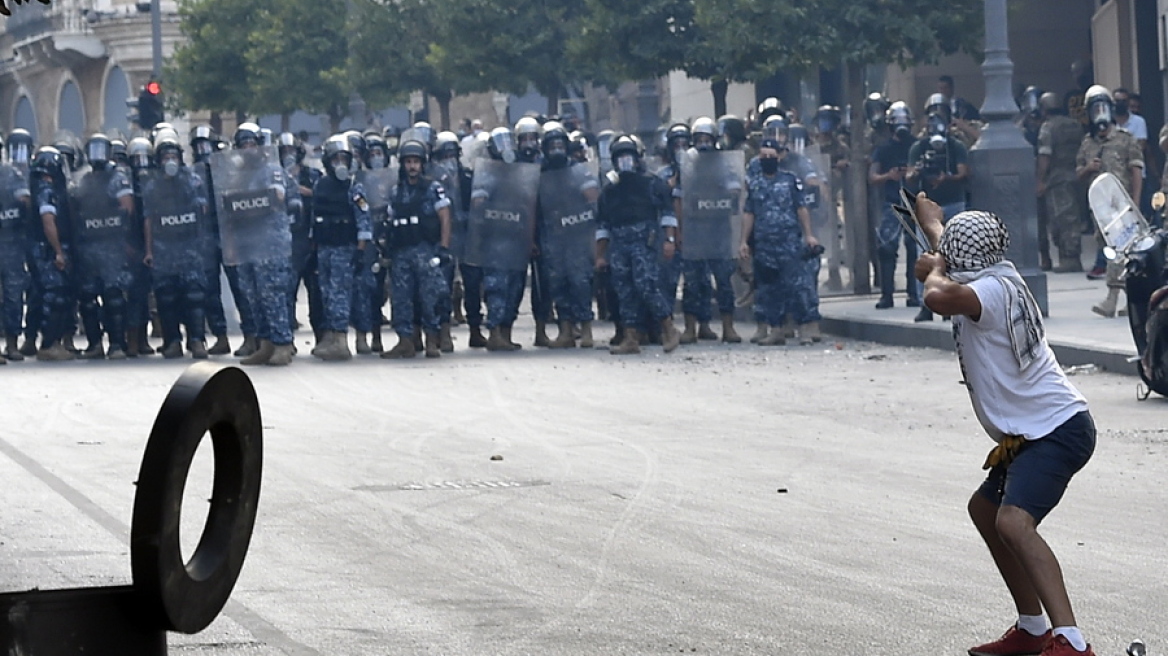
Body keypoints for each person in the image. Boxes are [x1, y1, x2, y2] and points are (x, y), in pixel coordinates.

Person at [911, 198, 1096, 656]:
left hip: (1058, 428)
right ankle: (1032, 628)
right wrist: (931, 222)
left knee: (1013, 523)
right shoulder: (992, 271)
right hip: (1032, 431)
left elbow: (936, 295)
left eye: (951, 254)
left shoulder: (987, 292)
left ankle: (1072, 642)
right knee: (984, 510)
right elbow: (951, 251)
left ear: (960, 261)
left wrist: (933, 268)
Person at [593, 135, 681, 354]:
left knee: (647, 285)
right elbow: (602, 225)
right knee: (624, 290)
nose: (625, 162)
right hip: (619, 245)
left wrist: (669, 240)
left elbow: (668, 213)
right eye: (620, 157)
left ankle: (668, 328)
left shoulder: (652, 184)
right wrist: (600, 255)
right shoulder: (609, 192)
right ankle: (630, 336)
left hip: (644, 242)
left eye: (628, 157)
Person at [739, 138, 819, 345]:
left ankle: (805, 330)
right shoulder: (755, 184)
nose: (767, 160)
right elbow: (749, 213)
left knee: (796, 285)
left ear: (779, 157)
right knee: (768, 288)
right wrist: (744, 241)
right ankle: (775, 330)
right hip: (764, 243)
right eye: (763, 156)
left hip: (789, 242)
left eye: (771, 157)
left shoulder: (790, 180)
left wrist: (809, 234)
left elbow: (801, 208)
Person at [141, 132, 212, 359]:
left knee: (194, 296)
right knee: (166, 297)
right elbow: (148, 219)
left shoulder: (193, 180)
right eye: (165, 157)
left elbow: (204, 213)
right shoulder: (152, 186)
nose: (169, 161)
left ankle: (197, 340)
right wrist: (149, 250)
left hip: (189, 247)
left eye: (173, 156)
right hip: (164, 249)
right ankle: (172, 341)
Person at [380, 139, 452, 359]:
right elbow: (390, 220)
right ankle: (405, 341)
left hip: (425, 250)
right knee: (401, 298)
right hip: (401, 253)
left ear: (422, 164)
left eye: (416, 162)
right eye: (408, 162)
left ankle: (432, 340)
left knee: (429, 297)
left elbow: (445, 217)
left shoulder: (433, 189)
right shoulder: (396, 192)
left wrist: (444, 247)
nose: (412, 166)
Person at [1075, 85, 1143, 317]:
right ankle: (1128, 301)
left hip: (1122, 207)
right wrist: (1087, 168)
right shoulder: (1087, 143)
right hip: (1100, 211)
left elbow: (1136, 170)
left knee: (1122, 251)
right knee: (1111, 251)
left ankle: (1113, 298)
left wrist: (1135, 201)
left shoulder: (1125, 139)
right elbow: (1078, 174)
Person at [906, 94, 971, 321]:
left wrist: (947, 178)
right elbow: (910, 174)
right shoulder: (918, 147)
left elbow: (964, 172)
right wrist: (917, 172)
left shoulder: (956, 146)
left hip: (953, 202)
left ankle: (951, 302)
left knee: (954, 253)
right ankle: (927, 303)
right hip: (927, 206)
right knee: (925, 255)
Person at [72, 133, 136, 359]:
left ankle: (117, 344)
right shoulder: (85, 179)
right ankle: (94, 344)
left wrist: (125, 239)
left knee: (113, 297)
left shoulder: (118, 177)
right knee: (88, 298)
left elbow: (127, 209)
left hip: (112, 245)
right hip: (89, 245)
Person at [310, 135, 371, 361]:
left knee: (339, 294)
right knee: (326, 293)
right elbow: (314, 216)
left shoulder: (354, 186)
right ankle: (331, 337)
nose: (339, 163)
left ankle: (341, 341)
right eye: (334, 158)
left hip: (344, 248)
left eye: (343, 158)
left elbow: (364, 220)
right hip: (324, 248)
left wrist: (361, 250)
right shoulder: (321, 185)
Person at [869, 101, 918, 310]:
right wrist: (889, 176)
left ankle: (914, 294)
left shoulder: (917, 146)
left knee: (914, 248)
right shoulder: (883, 150)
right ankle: (886, 295)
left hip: (915, 203)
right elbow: (872, 176)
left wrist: (912, 173)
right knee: (887, 248)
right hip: (892, 202)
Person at [1036, 92, 1086, 273]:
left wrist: (1040, 180)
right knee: (1073, 218)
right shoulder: (1075, 125)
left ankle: (1069, 259)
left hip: (1056, 179)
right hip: (1076, 176)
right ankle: (1072, 256)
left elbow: (1045, 155)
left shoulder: (1048, 127)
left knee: (1061, 219)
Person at [0, 135, 31, 362]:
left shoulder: (11, 174)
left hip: (12, 243)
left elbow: (25, 201)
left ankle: (12, 345)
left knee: (13, 296)